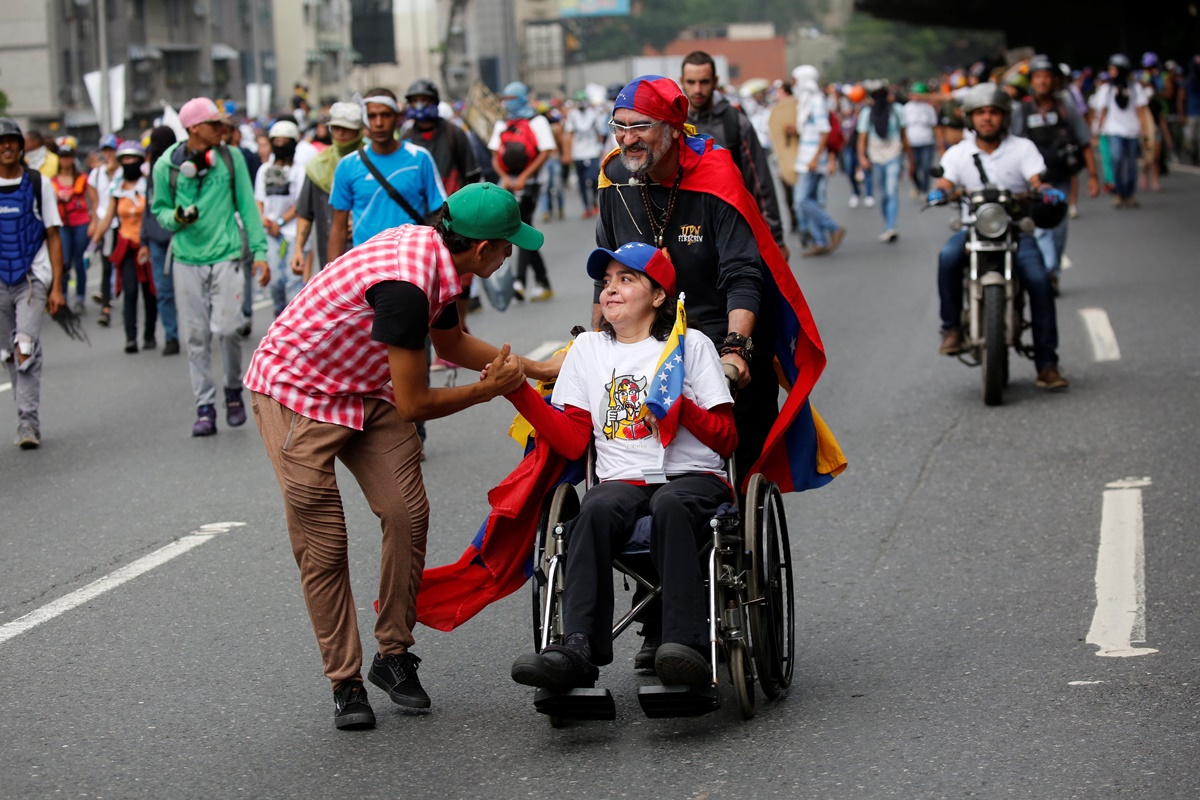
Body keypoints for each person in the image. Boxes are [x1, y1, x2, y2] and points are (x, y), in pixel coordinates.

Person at [244, 182, 559, 730]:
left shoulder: (441, 260)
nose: (512, 254)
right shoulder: (408, 284)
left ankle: (393, 655)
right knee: (325, 542)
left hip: (363, 387)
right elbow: (414, 402)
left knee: (407, 515)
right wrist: (490, 390)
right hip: (297, 392)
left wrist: (532, 369)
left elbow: (453, 344)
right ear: (482, 249)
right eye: (508, 246)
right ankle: (345, 681)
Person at [506, 242, 737, 691]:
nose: (610, 289)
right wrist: (519, 392)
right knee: (591, 510)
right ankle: (576, 648)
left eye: (626, 279)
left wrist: (679, 407)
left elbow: (727, 438)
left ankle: (683, 645)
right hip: (623, 480)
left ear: (657, 297)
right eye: (607, 281)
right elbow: (574, 438)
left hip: (692, 478)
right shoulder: (587, 350)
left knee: (671, 503)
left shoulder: (691, 346)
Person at [928, 83, 1069, 390]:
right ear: (970, 118)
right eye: (980, 113)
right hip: (973, 230)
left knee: (1040, 281)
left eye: (993, 112)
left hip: (1016, 230)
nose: (987, 118)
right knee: (947, 257)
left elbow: (1036, 178)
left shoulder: (1023, 148)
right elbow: (945, 180)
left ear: (1005, 117)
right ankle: (951, 328)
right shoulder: (958, 153)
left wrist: (1045, 191)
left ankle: (1047, 364)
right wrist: (939, 191)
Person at [151, 96, 269, 436]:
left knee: (230, 328)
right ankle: (204, 407)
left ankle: (233, 391)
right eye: (215, 125)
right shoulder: (166, 167)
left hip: (227, 255)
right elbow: (158, 209)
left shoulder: (230, 159)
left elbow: (247, 207)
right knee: (196, 336)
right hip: (187, 259)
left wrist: (259, 252)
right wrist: (175, 217)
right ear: (194, 128)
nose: (223, 130)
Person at [681, 51, 788, 259]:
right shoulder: (672, 126)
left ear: (715, 81)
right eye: (691, 82)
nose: (697, 89)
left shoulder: (735, 122)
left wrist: (776, 239)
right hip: (685, 236)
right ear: (681, 82)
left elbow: (760, 182)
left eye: (704, 82)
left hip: (733, 232)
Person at [0, 118, 65, 449]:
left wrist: (56, 286)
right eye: (1, 142)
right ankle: (23, 414)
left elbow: (53, 235)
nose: (6, 146)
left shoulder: (39, 184)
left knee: (24, 347)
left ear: (21, 146)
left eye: (11, 140)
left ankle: (28, 422)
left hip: (31, 278)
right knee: (8, 353)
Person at [1010, 55, 1100, 294]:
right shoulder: (1022, 110)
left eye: (1047, 76)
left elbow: (1084, 141)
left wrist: (1092, 176)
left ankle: (1053, 272)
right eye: (1038, 76)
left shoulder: (1066, 107)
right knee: (1036, 229)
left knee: (1057, 229)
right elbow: (1011, 144)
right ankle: (1044, 273)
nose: (1043, 81)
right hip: (1032, 182)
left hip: (1059, 178)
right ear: (1031, 80)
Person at [328, 90, 446, 261]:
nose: (379, 123)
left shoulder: (420, 158)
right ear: (365, 120)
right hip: (365, 265)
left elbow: (440, 213)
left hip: (411, 262)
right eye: (372, 116)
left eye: (385, 115)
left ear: (397, 117)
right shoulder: (347, 166)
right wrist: (332, 276)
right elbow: (338, 228)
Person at [489, 81, 555, 302]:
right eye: (505, 99)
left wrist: (525, 177)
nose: (508, 103)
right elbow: (494, 156)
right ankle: (542, 280)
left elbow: (545, 152)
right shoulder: (502, 123)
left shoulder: (537, 120)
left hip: (532, 184)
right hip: (509, 184)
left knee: (521, 226)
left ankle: (519, 280)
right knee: (524, 227)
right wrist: (506, 178)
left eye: (511, 99)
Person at [92, 141, 155, 353]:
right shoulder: (116, 189)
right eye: (125, 160)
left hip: (147, 245)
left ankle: (149, 335)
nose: (129, 163)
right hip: (126, 246)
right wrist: (93, 244)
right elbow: (108, 217)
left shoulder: (148, 186)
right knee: (130, 292)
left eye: (133, 159)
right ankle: (131, 337)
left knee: (150, 292)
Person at [291, 101, 363, 281]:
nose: (340, 133)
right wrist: (298, 248)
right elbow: (305, 213)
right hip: (329, 256)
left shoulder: (373, 160)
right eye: (336, 128)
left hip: (366, 255)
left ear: (359, 130)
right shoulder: (318, 166)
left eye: (347, 128)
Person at [790, 65, 846, 257]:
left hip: (812, 160)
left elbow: (825, 131)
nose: (794, 84)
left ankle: (833, 227)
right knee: (810, 199)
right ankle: (820, 241)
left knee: (801, 200)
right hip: (805, 157)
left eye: (796, 80)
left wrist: (815, 158)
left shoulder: (816, 101)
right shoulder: (805, 102)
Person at [255, 119, 305, 316]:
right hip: (270, 234)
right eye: (277, 141)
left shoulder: (300, 171)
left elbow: (300, 203)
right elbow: (259, 199)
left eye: (286, 141)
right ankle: (279, 315)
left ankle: (294, 322)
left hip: (292, 233)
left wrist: (282, 221)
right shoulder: (264, 170)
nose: (281, 145)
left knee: (294, 281)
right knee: (275, 281)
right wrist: (263, 219)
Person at [1092, 54, 1153, 208]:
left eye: (1114, 69)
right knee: (1117, 160)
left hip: (1132, 131)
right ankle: (1119, 193)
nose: (1111, 71)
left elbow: (1140, 112)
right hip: (1114, 130)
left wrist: (1145, 133)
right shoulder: (1106, 88)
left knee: (1132, 163)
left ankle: (1129, 194)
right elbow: (1102, 112)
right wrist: (1096, 132)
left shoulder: (1135, 88)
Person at [142, 126, 181, 356]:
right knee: (164, 291)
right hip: (157, 240)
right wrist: (144, 239)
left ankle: (201, 331)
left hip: (182, 237)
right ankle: (171, 335)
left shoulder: (182, 168)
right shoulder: (152, 173)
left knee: (192, 291)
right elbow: (149, 209)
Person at [857, 81, 912, 243]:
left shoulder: (897, 111)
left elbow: (904, 136)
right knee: (882, 194)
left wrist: (910, 159)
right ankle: (887, 223)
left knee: (891, 190)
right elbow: (862, 138)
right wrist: (862, 158)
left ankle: (891, 227)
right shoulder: (867, 114)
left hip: (894, 154)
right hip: (875, 156)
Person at [51, 136, 91, 314]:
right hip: (62, 224)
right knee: (64, 261)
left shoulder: (82, 178)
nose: (65, 160)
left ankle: (81, 298)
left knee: (80, 261)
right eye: (62, 156)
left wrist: (94, 222)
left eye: (68, 156)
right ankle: (63, 296)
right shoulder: (52, 181)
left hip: (80, 223)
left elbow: (93, 201)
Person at [87, 134, 119, 326]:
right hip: (104, 224)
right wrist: (94, 222)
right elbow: (95, 201)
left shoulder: (122, 170)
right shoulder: (97, 174)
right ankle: (105, 308)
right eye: (105, 150)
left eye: (110, 150)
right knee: (106, 265)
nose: (108, 154)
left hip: (121, 224)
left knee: (124, 265)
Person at [563, 91, 607, 218]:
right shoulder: (573, 116)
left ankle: (594, 201)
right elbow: (569, 135)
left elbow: (599, 133)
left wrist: (601, 149)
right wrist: (568, 153)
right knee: (582, 182)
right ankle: (586, 207)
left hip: (592, 152)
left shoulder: (593, 115)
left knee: (594, 178)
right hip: (578, 153)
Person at [904, 83, 940, 196]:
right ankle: (917, 187)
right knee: (913, 168)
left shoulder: (929, 108)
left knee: (926, 167)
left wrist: (939, 142)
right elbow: (902, 128)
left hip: (927, 142)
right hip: (912, 143)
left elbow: (935, 126)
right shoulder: (906, 108)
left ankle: (925, 190)